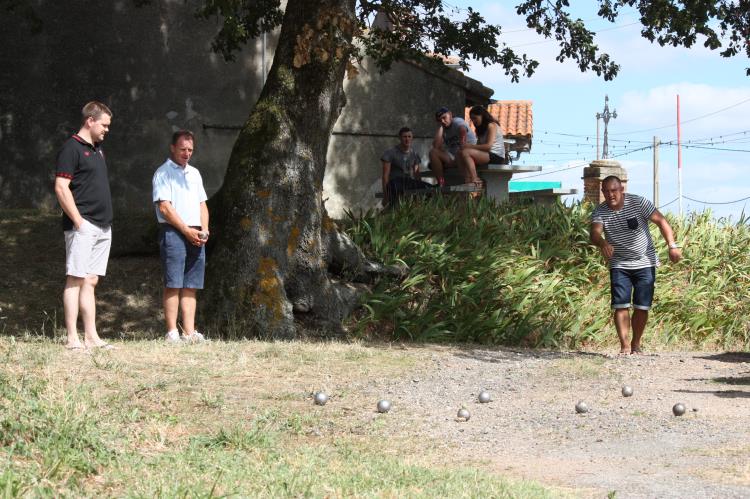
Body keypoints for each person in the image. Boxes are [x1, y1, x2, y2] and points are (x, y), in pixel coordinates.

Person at [590, 176, 682, 355]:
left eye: (614, 191)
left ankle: (636, 343)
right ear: (602, 193)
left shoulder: (639, 203)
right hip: (619, 263)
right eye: (606, 192)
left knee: (642, 306)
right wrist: (603, 244)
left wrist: (672, 246)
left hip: (645, 261)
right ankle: (624, 347)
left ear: (621, 189)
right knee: (620, 304)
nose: (611, 195)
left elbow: (662, 221)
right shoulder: (600, 211)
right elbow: (594, 233)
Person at [54, 101, 115, 351]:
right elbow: (61, 187)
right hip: (83, 225)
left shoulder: (98, 149)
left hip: (103, 226)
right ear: (90, 120)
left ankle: (91, 337)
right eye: (104, 124)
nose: (107, 130)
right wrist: (78, 221)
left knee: (90, 281)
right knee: (75, 279)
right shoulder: (71, 148)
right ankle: (72, 338)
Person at [152, 130, 209, 343]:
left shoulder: (194, 173)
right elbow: (165, 208)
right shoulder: (163, 173)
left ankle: (189, 331)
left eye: (190, 150)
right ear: (173, 148)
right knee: (173, 282)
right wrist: (186, 230)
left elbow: (202, 204)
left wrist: (204, 229)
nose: (186, 153)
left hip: (196, 232)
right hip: (174, 232)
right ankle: (172, 332)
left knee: (191, 284)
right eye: (183, 149)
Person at [458, 105, 506, 188]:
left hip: (496, 156)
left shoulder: (492, 125)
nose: (473, 121)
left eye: (475, 118)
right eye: (472, 119)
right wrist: (467, 147)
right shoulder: (479, 129)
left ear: (482, 115)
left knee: (466, 152)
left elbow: (488, 146)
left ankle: (475, 178)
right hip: (486, 155)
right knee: (459, 153)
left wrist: (470, 146)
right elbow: (479, 146)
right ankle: (467, 178)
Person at [381, 127, 430, 206]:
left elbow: (417, 173)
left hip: (408, 182)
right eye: (405, 137)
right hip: (395, 182)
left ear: (412, 138)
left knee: (431, 189)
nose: (407, 139)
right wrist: (385, 195)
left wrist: (420, 187)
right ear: (400, 138)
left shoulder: (414, 153)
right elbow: (385, 176)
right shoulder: (391, 152)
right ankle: (393, 208)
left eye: (409, 136)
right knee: (396, 191)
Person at [428, 106, 477, 186]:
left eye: (444, 117)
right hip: (453, 157)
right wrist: (441, 127)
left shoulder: (457, 121)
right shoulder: (443, 128)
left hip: (467, 154)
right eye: (440, 120)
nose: (443, 121)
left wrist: (461, 147)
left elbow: (462, 131)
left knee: (460, 153)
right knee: (433, 153)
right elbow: (436, 146)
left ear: (450, 114)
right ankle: (441, 183)